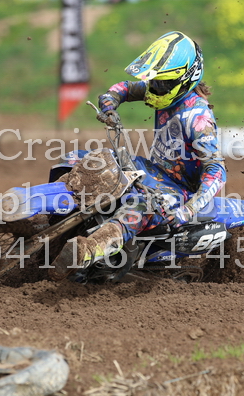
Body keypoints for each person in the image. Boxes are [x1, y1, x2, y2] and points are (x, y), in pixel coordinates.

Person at [51, 31, 226, 280]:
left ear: (185, 79)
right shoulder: (165, 88)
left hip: (181, 191)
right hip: (154, 171)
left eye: (161, 83)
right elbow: (124, 88)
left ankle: (89, 250)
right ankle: (51, 216)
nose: (154, 87)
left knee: (140, 208)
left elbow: (217, 170)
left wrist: (187, 211)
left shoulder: (198, 119)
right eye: (154, 81)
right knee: (84, 159)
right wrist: (109, 105)